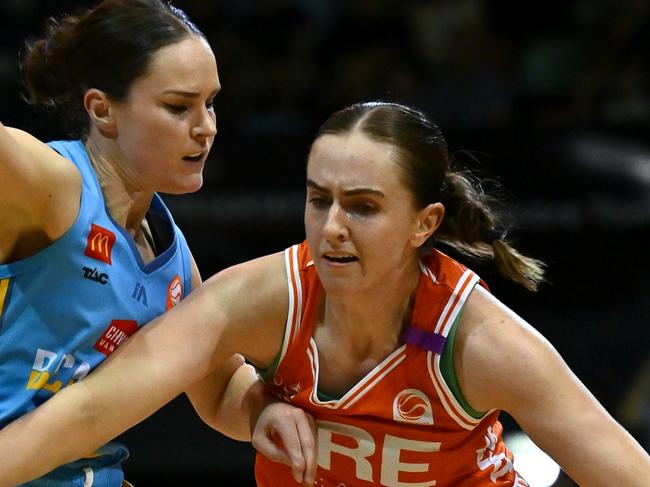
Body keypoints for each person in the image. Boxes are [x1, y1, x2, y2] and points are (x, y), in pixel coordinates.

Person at [1, 102, 649, 486]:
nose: (332, 227)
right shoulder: (261, 299)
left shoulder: (481, 343)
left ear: (424, 223)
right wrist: (259, 413)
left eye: (363, 207)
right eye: (319, 200)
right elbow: (90, 412)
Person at [0, 1, 278, 485]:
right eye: (178, 106)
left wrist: (277, 413)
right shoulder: (51, 185)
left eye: (209, 103)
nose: (206, 127)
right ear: (103, 110)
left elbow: (221, 388)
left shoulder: (171, 256)